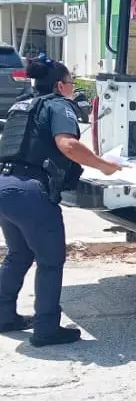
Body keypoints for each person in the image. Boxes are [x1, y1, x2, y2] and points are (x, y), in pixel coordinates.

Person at [0, 56, 122, 347]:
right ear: (59, 85)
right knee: (50, 261)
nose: (72, 88)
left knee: (19, 254)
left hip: (4, 184)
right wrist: (104, 165)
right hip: (30, 192)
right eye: (70, 82)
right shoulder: (58, 105)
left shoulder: (22, 105)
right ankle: (46, 329)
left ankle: (3, 316)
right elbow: (67, 145)